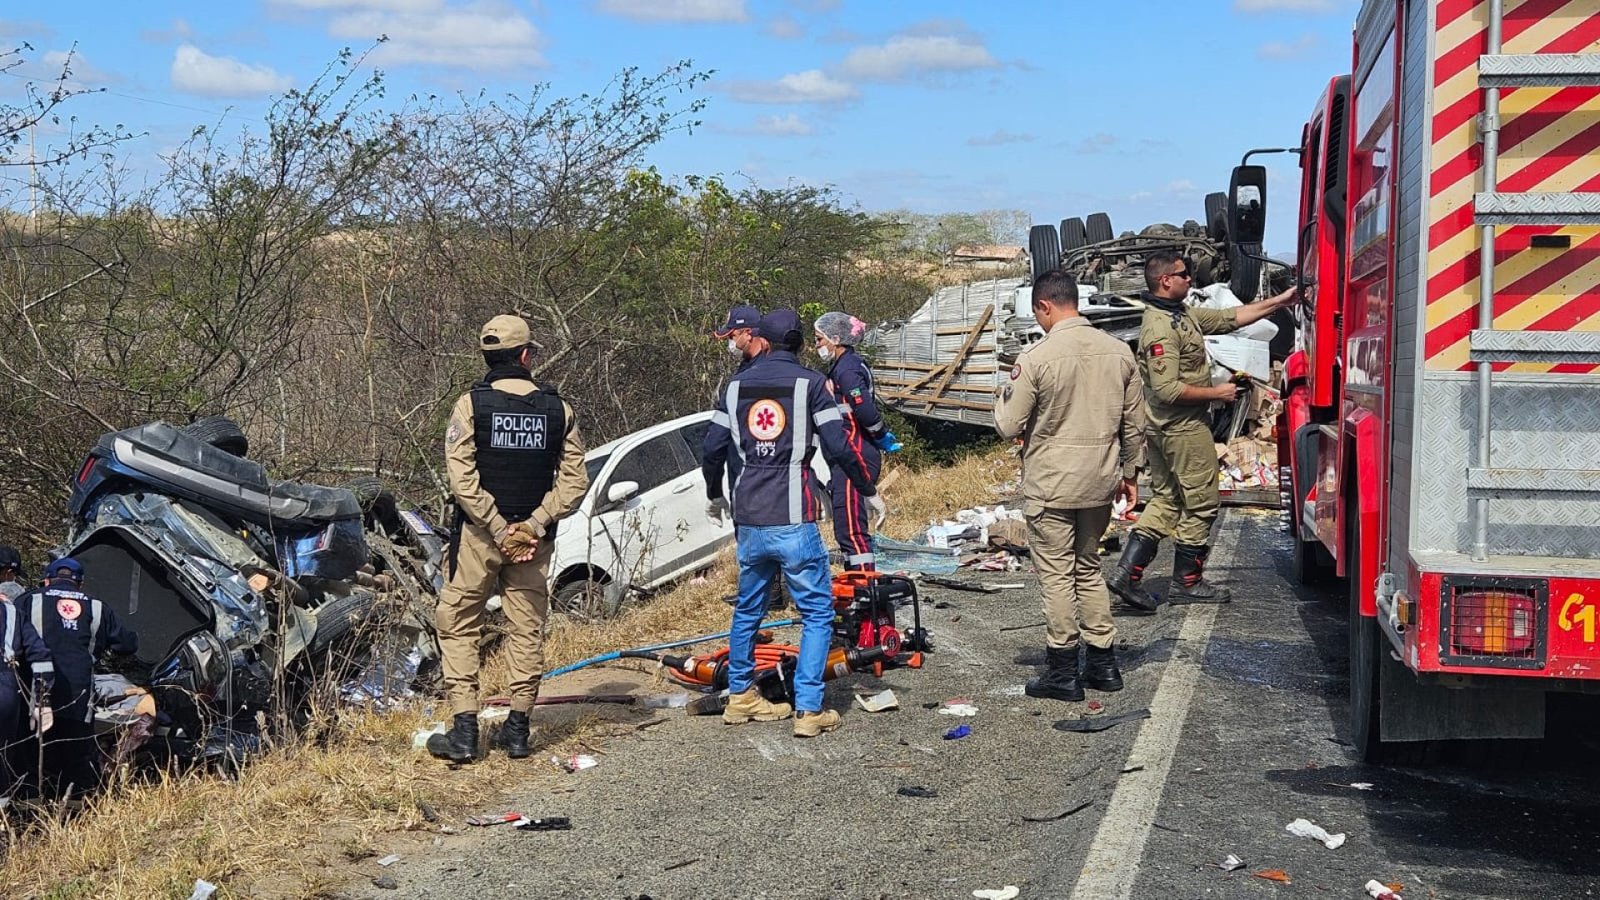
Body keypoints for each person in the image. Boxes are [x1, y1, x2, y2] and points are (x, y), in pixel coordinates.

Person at [703, 309, 887, 738]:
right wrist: (866, 488)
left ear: (763, 341)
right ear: (802, 343)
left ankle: (740, 697)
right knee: (817, 614)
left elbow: (712, 446)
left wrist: (714, 493)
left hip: (750, 517)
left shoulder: (734, 387)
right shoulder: (812, 384)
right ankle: (808, 709)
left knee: (748, 608)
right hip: (793, 517)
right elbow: (838, 445)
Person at [430, 314, 589, 763]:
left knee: (458, 623)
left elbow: (462, 480)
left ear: (488, 357)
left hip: (479, 539)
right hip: (533, 544)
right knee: (526, 629)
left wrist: (499, 528)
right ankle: (517, 730)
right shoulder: (559, 410)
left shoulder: (470, 406)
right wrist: (532, 526)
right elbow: (575, 482)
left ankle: (465, 732)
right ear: (525, 356)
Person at [1107, 252, 1296, 610]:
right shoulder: (1161, 328)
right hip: (1181, 427)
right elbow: (1167, 389)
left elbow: (1229, 318)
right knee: (1202, 502)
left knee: (1167, 499)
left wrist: (1281, 301)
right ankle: (1187, 582)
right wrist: (1217, 393)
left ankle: (1127, 574)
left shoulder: (1182, 314)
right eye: (1183, 274)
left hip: (1170, 427)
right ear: (1165, 280)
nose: (1190, 279)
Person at [994, 270, 1145, 701]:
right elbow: (1135, 423)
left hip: (1052, 484)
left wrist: (1002, 396)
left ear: (1044, 306)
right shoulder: (1119, 351)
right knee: (1089, 567)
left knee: (1057, 576)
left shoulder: (1037, 357)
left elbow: (1008, 425)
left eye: (1037, 313)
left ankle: (1062, 672)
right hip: (1100, 480)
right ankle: (1104, 664)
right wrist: (1131, 475)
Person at [20, 557, 136, 796]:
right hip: (79, 695)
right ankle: (73, 806)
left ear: (46, 581)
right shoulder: (98, 607)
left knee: (29, 752)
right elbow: (126, 645)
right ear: (81, 584)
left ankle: (29, 805)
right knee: (75, 755)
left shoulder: (29, 600)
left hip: (35, 692)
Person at [813, 311, 901, 571]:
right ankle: (856, 578)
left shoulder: (847, 369)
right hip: (847, 456)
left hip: (855, 455)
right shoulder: (842, 366)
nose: (816, 345)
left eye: (819, 339)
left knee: (851, 529)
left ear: (835, 338)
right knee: (845, 527)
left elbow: (862, 408)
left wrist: (880, 434)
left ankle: (864, 583)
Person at [0, 583, 52, 798]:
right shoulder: (13, 612)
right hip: (5, 687)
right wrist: (42, 701)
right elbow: (40, 657)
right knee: (3, 757)